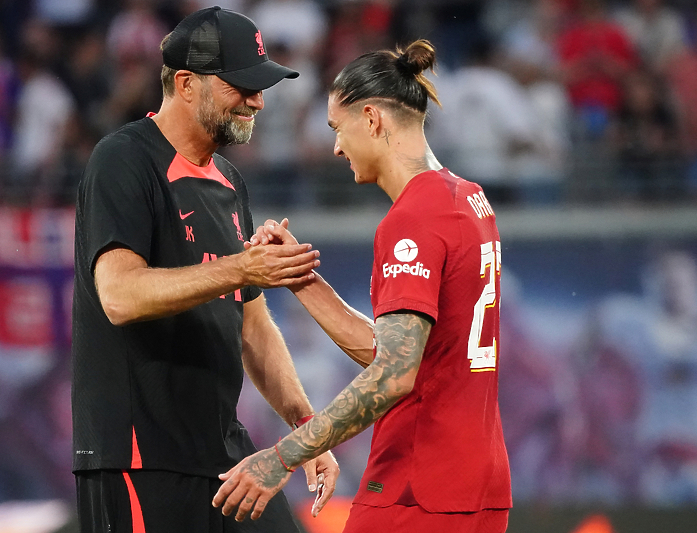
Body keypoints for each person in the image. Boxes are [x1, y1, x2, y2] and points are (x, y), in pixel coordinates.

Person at [213, 39, 512, 532]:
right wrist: (300, 278)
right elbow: (398, 350)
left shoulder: (411, 220)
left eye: (337, 128)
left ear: (371, 119)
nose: (335, 146)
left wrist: (283, 455)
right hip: (477, 485)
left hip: (416, 486)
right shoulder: (469, 199)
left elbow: (394, 374)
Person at [71, 7, 339, 533]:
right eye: (241, 85)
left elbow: (254, 328)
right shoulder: (123, 160)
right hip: (138, 457)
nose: (257, 100)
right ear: (187, 84)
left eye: (261, 86)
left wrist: (307, 431)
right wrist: (241, 267)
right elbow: (119, 295)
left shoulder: (230, 181)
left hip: (224, 455)